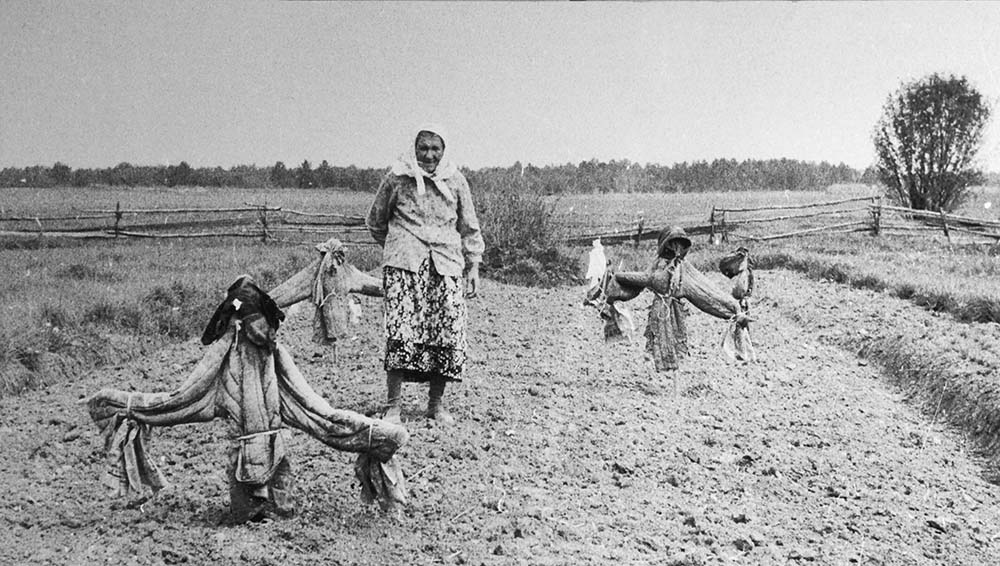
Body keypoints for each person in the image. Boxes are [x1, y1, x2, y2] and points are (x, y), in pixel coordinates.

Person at [366, 124, 485, 425]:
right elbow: (376, 220)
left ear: (444, 151)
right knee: (401, 331)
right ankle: (393, 405)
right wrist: (398, 246)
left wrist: (473, 265)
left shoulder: (456, 181)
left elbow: (469, 226)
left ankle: (436, 404)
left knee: (445, 331)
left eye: (436, 149)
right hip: (405, 265)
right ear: (414, 149)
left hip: (445, 265)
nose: (429, 155)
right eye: (424, 148)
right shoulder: (397, 178)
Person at [601, 227, 752, 382]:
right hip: (659, 309)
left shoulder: (683, 268)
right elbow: (645, 279)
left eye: (679, 244)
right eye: (673, 243)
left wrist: (732, 308)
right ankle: (666, 383)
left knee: (675, 345)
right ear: (666, 244)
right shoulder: (658, 264)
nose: (676, 248)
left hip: (674, 311)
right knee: (658, 344)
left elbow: (705, 291)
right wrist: (618, 279)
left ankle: (675, 386)